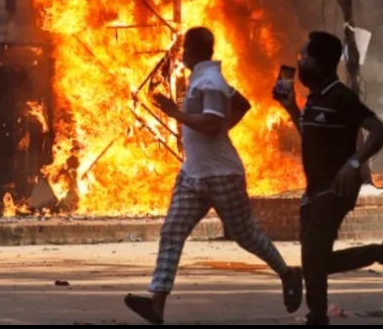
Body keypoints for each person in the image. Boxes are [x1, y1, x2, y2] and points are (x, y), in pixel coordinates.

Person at [125, 27, 303, 325]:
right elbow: (242, 105)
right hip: (193, 174)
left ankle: (288, 273)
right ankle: (157, 303)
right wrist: (223, 128)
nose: (181, 55)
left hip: (222, 175)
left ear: (193, 52)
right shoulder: (206, 78)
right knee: (172, 232)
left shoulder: (209, 82)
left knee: (245, 235)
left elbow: (209, 125)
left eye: (184, 50)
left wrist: (175, 113)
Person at [272, 31, 383, 326]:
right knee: (315, 261)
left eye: (304, 56)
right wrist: (292, 108)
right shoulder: (315, 99)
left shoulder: (341, 97)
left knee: (313, 256)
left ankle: (317, 317)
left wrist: (354, 162)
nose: (300, 61)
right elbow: (309, 133)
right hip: (314, 189)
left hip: (337, 188)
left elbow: (379, 130)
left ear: (319, 63)